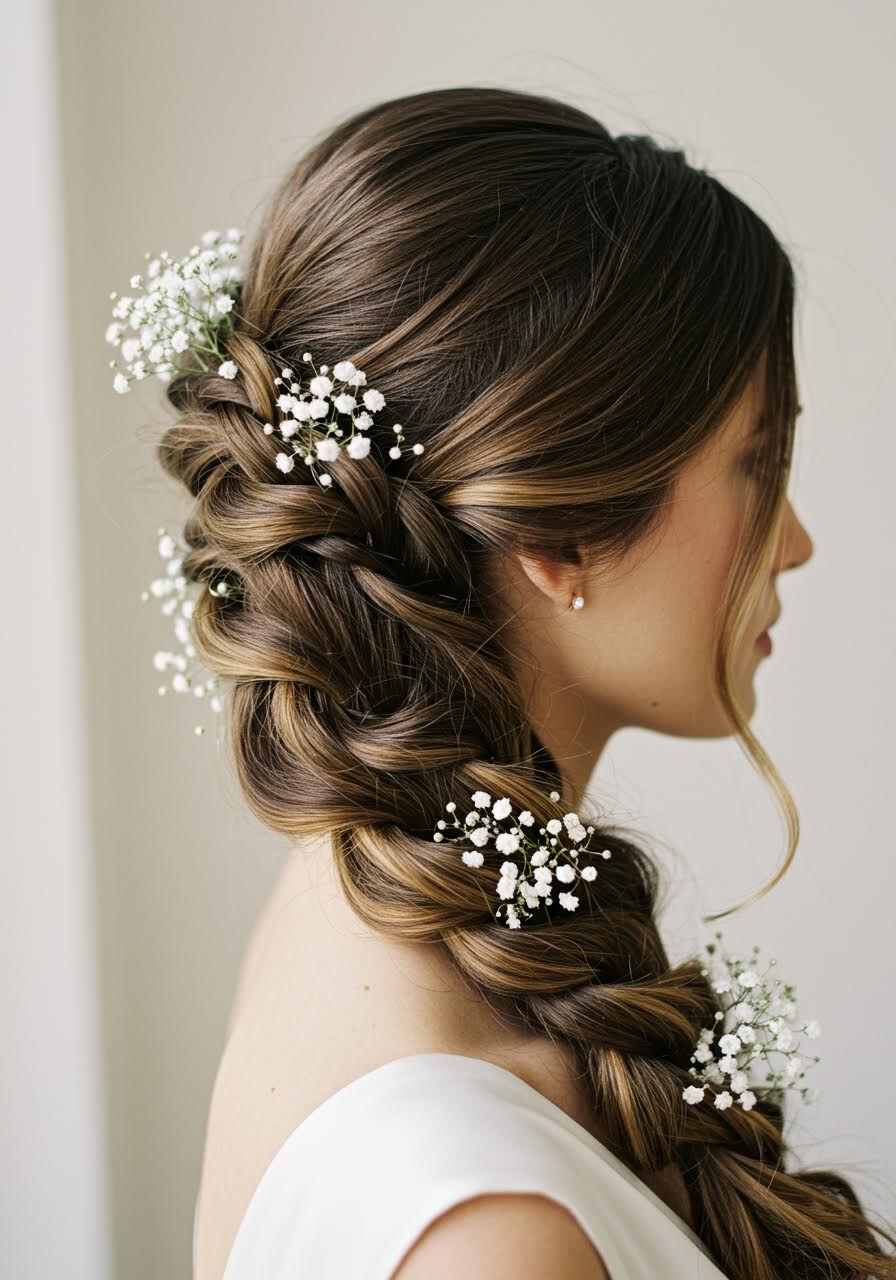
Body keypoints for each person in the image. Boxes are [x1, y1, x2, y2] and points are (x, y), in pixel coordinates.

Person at [155, 87, 894, 1278]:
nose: (795, 541)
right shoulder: (488, 1235)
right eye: (756, 463)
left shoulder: (355, 903)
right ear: (554, 532)